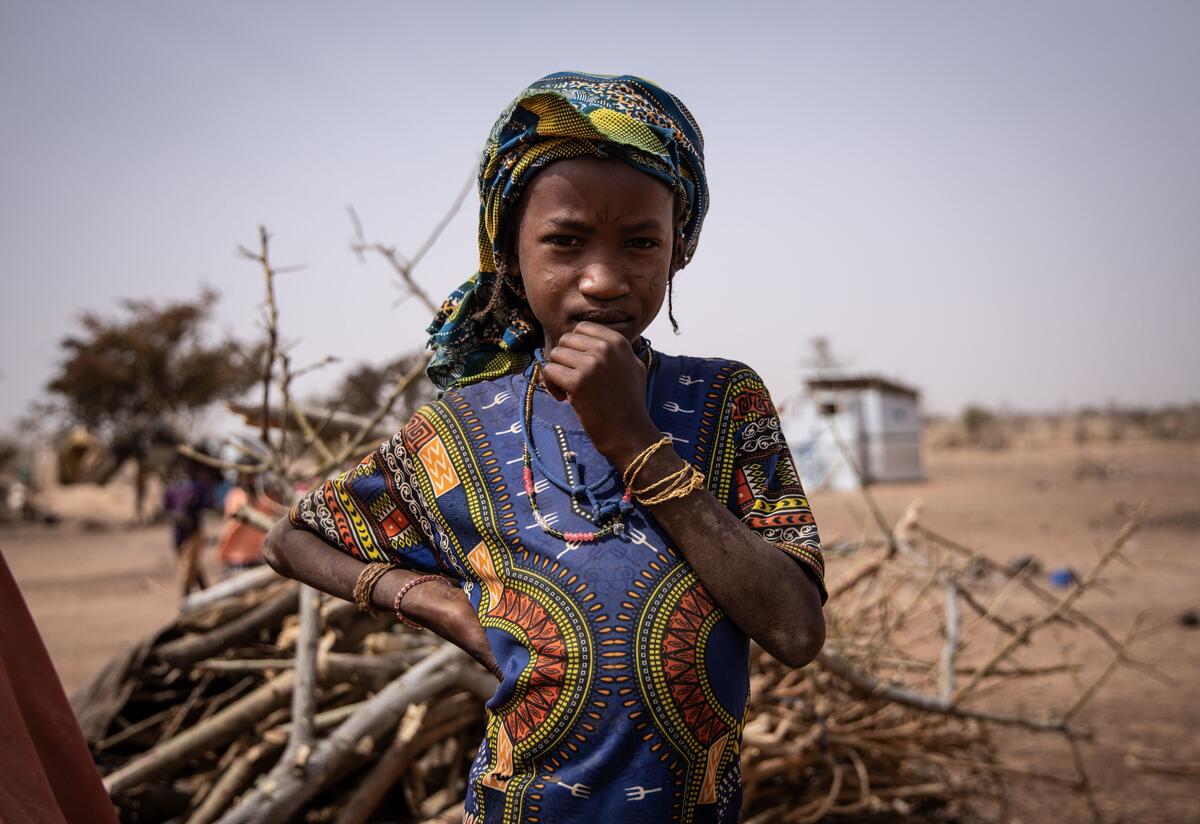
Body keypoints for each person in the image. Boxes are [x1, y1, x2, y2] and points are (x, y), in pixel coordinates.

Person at [265, 71, 826, 824]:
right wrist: (426, 598)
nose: (602, 279)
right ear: (509, 250)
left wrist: (634, 440)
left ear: (677, 250)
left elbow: (794, 630)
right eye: (565, 242)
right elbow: (291, 537)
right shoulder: (459, 432)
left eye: (640, 243)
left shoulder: (724, 403)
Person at [216, 468, 285, 576]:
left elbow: (278, 509)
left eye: (253, 475)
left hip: (255, 558)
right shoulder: (237, 495)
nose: (251, 479)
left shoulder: (264, 497)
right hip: (235, 559)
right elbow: (238, 512)